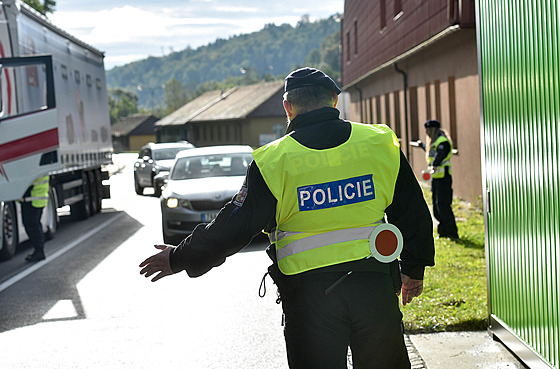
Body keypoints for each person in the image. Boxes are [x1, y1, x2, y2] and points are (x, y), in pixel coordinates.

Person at [140, 67, 435, 369]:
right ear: (335, 100)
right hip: (373, 288)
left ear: (287, 107)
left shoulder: (273, 161)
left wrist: (180, 257)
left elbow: (233, 226)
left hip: (309, 299)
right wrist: (414, 267)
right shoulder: (378, 143)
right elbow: (413, 212)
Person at [422, 119, 459, 239]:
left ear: (433, 130)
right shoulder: (435, 142)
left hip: (444, 178)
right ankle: (442, 232)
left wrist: (435, 164)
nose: (426, 133)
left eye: (428, 130)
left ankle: (452, 233)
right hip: (436, 178)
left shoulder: (443, 142)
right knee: (436, 207)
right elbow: (433, 154)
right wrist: (422, 146)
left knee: (443, 205)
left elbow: (440, 155)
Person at [21, 175, 50, 262]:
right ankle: (39, 250)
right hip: (35, 197)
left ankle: (39, 251)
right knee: (34, 224)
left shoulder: (31, 166)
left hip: (33, 197)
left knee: (32, 224)